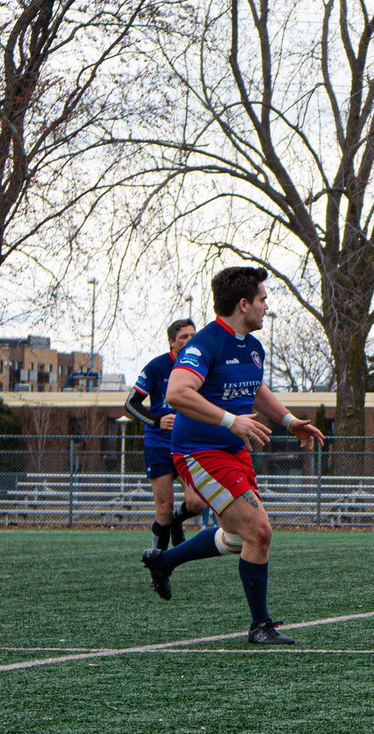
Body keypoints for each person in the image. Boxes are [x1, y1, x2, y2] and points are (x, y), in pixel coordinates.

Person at [141, 267, 327, 645]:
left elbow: (255, 389)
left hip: (231, 451)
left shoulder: (252, 346)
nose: (266, 306)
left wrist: (289, 420)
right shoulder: (204, 344)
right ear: (243, 304)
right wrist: (230, 421)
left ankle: (165, 560)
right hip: (199, 452)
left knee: (239, 537)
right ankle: (261, 625)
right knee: (259, 532)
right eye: (262, 299)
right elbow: (177, 393)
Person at [124, 318, 205, 552]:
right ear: (171, 342)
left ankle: (177, 522)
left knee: (197, 503)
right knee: (164, 510)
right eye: (184, 337)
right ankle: (158, 567)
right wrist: (157, 421)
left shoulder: (201, 366)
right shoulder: (156, 367)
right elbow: (131, 404)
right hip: (159, 444)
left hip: (187, 443)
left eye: (193, 336)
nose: (190, 340)